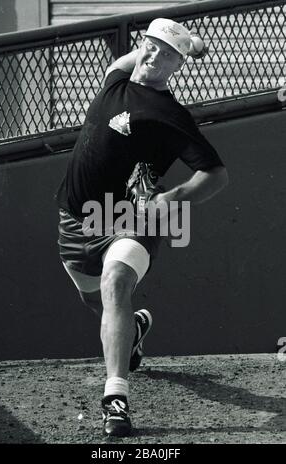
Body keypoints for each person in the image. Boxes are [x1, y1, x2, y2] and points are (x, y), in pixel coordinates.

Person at [56, 17, 228, 437]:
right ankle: (133, 331)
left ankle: (115, 400)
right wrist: (185, 44)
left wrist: (171, 201)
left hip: (132, 218)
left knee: (116, 283)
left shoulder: (170, 115)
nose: (153, 56)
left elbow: (215, 174)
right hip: (76, 220)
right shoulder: (116, 77)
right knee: (96, 303)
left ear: (177, 67)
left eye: (166, 55)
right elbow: (144, 57)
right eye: (149, 46)